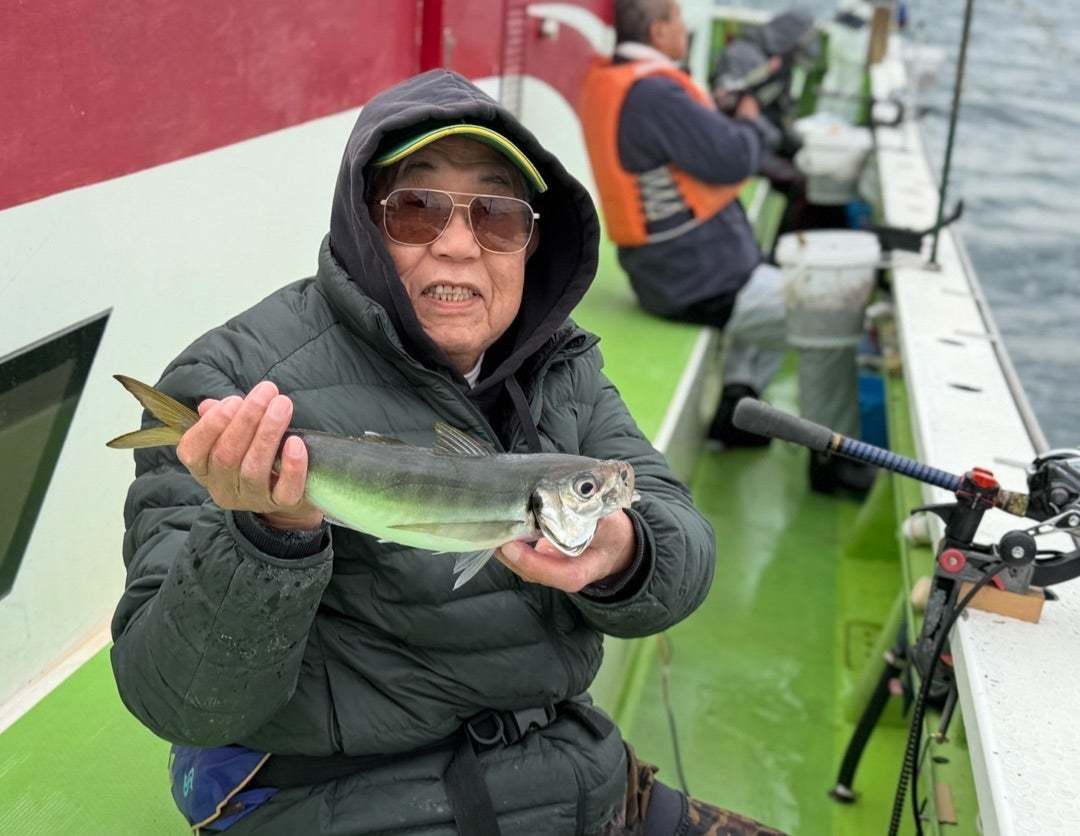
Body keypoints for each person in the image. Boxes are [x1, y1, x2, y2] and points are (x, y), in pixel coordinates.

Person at [109, 69, 785, 835]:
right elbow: (179, 700)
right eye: (416, 208)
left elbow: (681, 540)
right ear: (365, 224)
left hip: (570, 774)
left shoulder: (562, 367)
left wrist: (626, 551)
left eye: (496, 215)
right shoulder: (233, 388)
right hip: (353, 805)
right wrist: (268, 539)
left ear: (531, 241)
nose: (459, 244)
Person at [580, 0, 874, 493]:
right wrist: (750, 117)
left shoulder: (622, 80)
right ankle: (831, 462)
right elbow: (736, 158)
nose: (684, 29)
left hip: (674, 269)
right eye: (678, 20)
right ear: (658, 30)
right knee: (830, 316)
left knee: (771, 276)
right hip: (695, 281)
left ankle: (739, 407)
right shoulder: (657, 93)